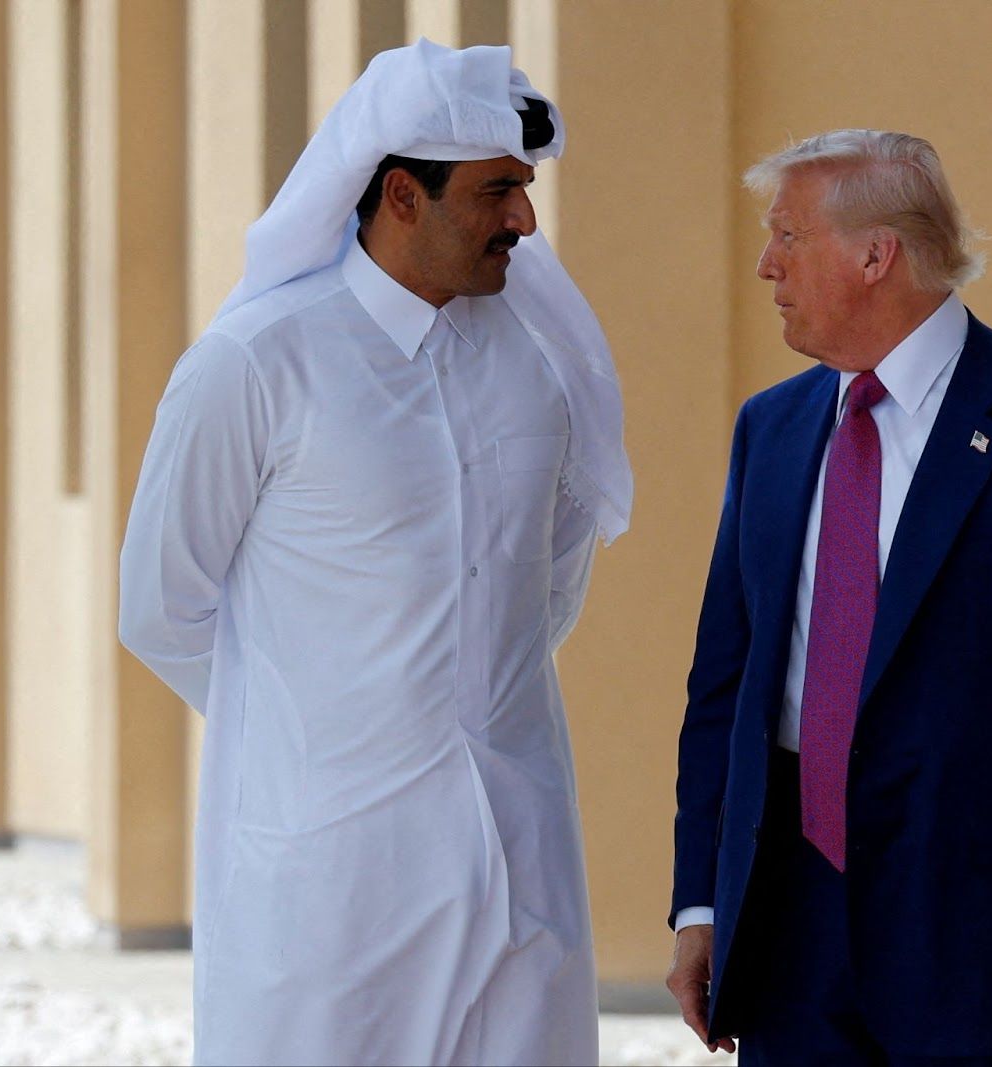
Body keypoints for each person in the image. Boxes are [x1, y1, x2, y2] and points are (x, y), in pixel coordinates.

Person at [119, 41, 631, 1067]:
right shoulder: (257, 362)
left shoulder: (536, 366)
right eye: (496, 193)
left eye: (524, 191)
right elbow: (161, 609)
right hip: (330, 894)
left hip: (517, 867)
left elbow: (547, 584)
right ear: (402, 194)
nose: (524, 222)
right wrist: (320, 733)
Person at [666, 129, 992, 1066]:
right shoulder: (771, 431)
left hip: (991, 937)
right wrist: (702, 902)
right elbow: (724, 684)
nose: (763, 264)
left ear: (876, 254)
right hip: (790, 931)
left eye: (787, 235)